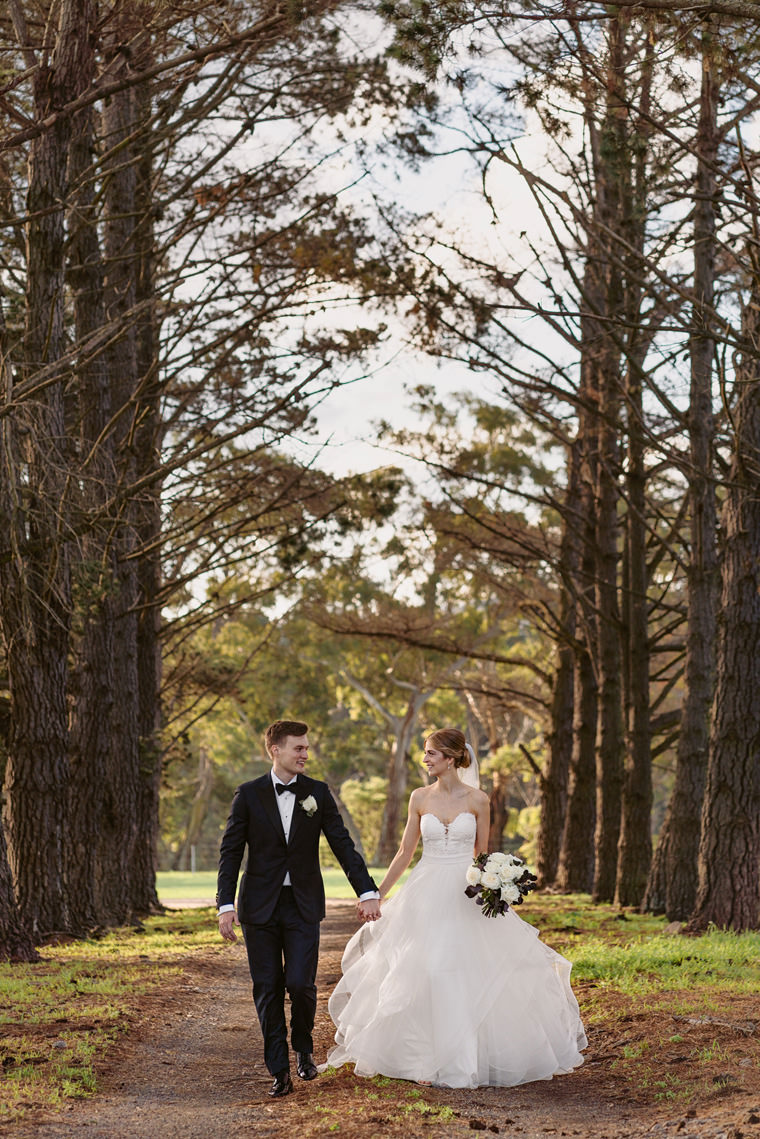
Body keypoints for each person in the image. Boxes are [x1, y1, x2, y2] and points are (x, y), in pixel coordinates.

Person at [324, 728, 587, 1089]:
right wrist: (377, 893)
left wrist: (494, 886)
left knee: (465, 969)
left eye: (431, 753)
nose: (426, 758)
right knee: (425, 969)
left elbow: (481, 855)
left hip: (465, 891)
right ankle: (422, 1057)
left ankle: (467, 1058)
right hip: (426, 888)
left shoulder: (479, 800)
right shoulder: (419, 798)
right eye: (426, 753)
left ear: (450, 758)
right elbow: (404, 853)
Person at [217, 719, 380, 1099]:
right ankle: (279, 1069)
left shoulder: (318, 794)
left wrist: (366, 890)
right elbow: (230, 853)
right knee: (268, 987)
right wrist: (226, 904)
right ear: (275, 750)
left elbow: (342, 844)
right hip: (258, 906)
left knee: (300, 985)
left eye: (307, 747)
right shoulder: (248, 794)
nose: (305, 754)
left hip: (303, 905)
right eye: (299, 748)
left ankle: (303, 1048)